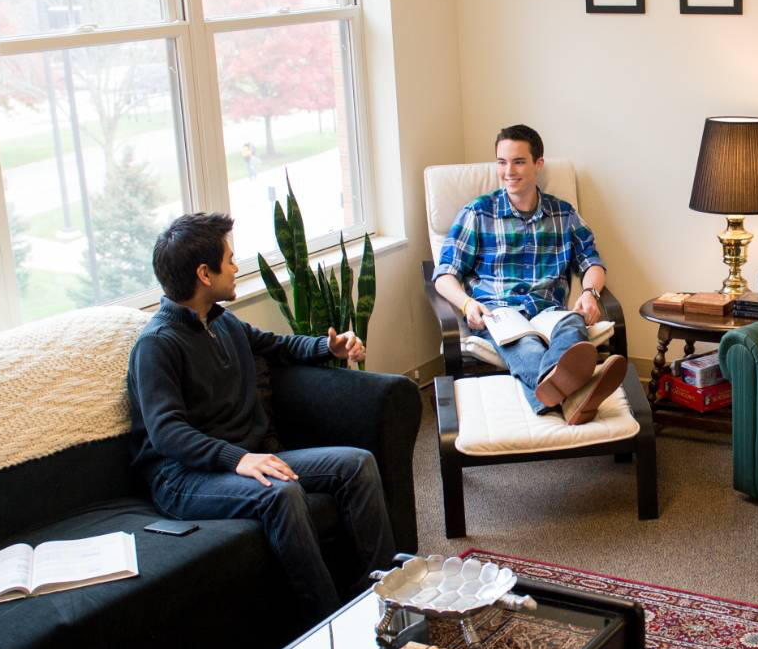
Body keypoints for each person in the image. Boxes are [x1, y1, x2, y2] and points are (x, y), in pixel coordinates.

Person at [127, 211, 394, 619]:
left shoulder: (221, 321)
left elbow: (277, 346)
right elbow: (167, 434)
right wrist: (239, 459)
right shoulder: (157, 344)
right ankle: (327, 619)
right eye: (230, 260)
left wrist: (330, 349)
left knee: (357, 464)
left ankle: (384, 592)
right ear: (204, 273)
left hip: (246, 462)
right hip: (182, 478)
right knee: (280, 493)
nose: (237, 268)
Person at [433, 124, 627, 424]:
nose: (508, 171)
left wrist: (590, 294)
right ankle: (578, 393)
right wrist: (467, 304)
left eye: (518, 161)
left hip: (549, 310)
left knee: (573, 329)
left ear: (538, 164)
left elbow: (592, 263)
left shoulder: (563, 214)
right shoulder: (478, 213)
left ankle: (559, 397)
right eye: (501, 162)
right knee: (527, 347)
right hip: (499, 313)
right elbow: (444, 274)